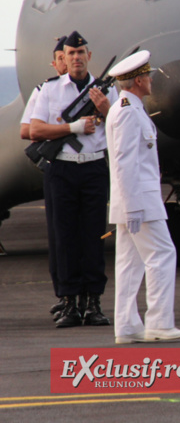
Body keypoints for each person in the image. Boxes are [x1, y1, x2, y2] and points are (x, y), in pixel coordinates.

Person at [29, 32, 116, 329]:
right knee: (65, 237)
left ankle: (93, 302)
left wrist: (105, 109)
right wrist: (73, 127)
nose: (76, 57)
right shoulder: (50, 89)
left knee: (93, 236)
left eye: (81, 53)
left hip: (94, 168)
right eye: (71, 53)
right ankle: (69, 302)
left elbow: (122, 125)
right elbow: (36, 130)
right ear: (63, 59)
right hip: (62, 169)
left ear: (89, 56)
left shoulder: (105, 91)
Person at [106, 50, 180, 344]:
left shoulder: (128, 108)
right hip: (139, 201)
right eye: (147, 75)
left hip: (135, 200)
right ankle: (159, 323)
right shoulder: (128, 112)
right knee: (162, 255)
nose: (151, 79)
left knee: (130, 265)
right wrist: (132, 208)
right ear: (138, 81)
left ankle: (127, 326)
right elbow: (125, 162)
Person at [20, 36, 67, 319]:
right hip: (57, 162)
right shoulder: (45, 90)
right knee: (59, 236)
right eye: (60, 58)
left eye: (69, 56)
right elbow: (27, 130)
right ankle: (63, 293)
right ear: (54, 63)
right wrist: (60, 129)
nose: (65, 63)